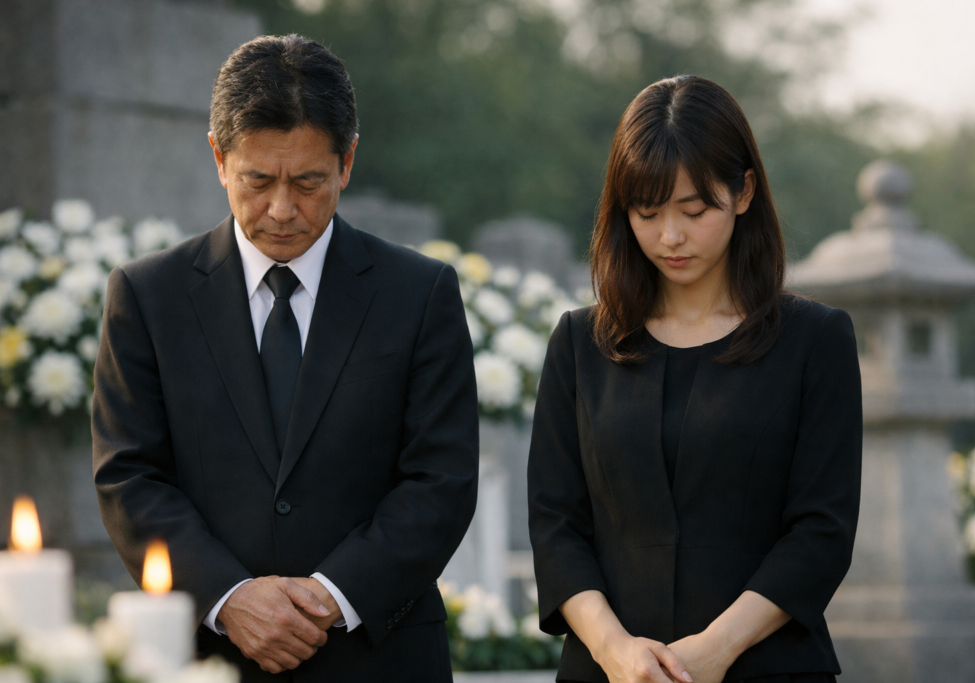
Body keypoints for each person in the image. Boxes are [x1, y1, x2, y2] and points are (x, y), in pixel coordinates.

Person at [93, 34, 478, 681]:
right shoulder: (147, 296)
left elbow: (442, 478)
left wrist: (330, 596)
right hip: (205, 657)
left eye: (307, 182)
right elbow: (130, 476)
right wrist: (228, 597)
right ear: (219, 159)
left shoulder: (419, 292)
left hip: (379, 658)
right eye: (258, 180)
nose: (281, 209)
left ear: (346, 162)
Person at [527, 75, 862, 683]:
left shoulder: (815, 341)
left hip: (768, 669)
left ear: (743, 192)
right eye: (646, 212)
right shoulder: (580, 344)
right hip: (608, 672)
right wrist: (614, 650)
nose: (670, 237)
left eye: (694, 210)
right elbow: (556, 526)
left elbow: (822, 530)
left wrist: (715, 650)